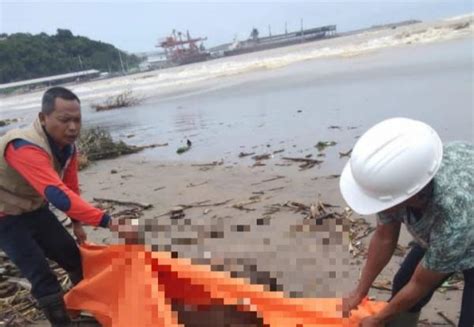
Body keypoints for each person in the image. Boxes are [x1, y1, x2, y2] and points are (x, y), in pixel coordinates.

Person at [339, 118, 473, 327]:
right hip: (448, 232)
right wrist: (360, 292)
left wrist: (377, 318)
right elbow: (385, 237)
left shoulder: (452, 216)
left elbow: (421, 283)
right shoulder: (400, 178)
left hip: (465, 225)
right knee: (402, 285)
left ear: (412, 196)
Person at [0, 87, 115, 326]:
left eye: (77, 120)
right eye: (64, 120)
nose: (72, 127)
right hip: (5, 216)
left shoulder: (67, 147)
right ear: (43, 118)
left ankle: (87, 306)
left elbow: (70, 187)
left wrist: (77, 224)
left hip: (34, 208)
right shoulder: (23, 147)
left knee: (74, 259)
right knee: (41, 275)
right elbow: (57, 195)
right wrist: (109, 222)